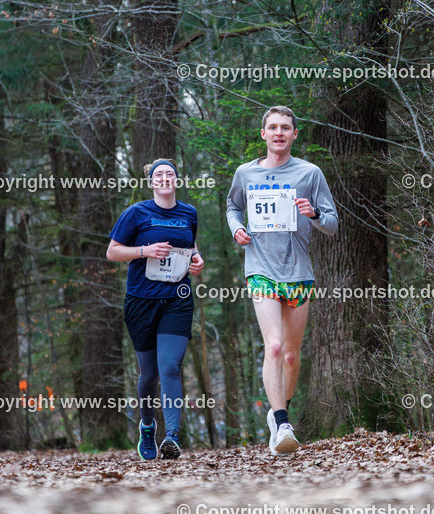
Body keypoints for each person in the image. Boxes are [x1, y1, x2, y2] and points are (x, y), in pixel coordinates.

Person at [226, 106, 338, 455]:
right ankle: (283, 421)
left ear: (294, 134)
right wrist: (237, 228)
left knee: (290, 355)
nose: (278, 133)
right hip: (261, 268)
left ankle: (279, 412)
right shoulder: (246, 173)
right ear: (263, 134)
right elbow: (232, 207)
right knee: (273, 346)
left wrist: (314, 213)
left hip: (298, 272)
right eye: (272, 127)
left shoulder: (310, 173)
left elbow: (332, 223)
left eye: (285, 128)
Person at [107, 159, 204, 462]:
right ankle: (147, 426)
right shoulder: (136, 213)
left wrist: (197, 259)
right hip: (141, 301)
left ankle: (172, 436)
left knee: (170, 366)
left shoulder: (189, 213)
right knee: (149, 374)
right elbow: (112, 251)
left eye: (169, 174)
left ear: (177, 180)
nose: (164, 178)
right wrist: (143, 251)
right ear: (151, 181)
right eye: (158, 175)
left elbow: (191, 246)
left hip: (177, 298)